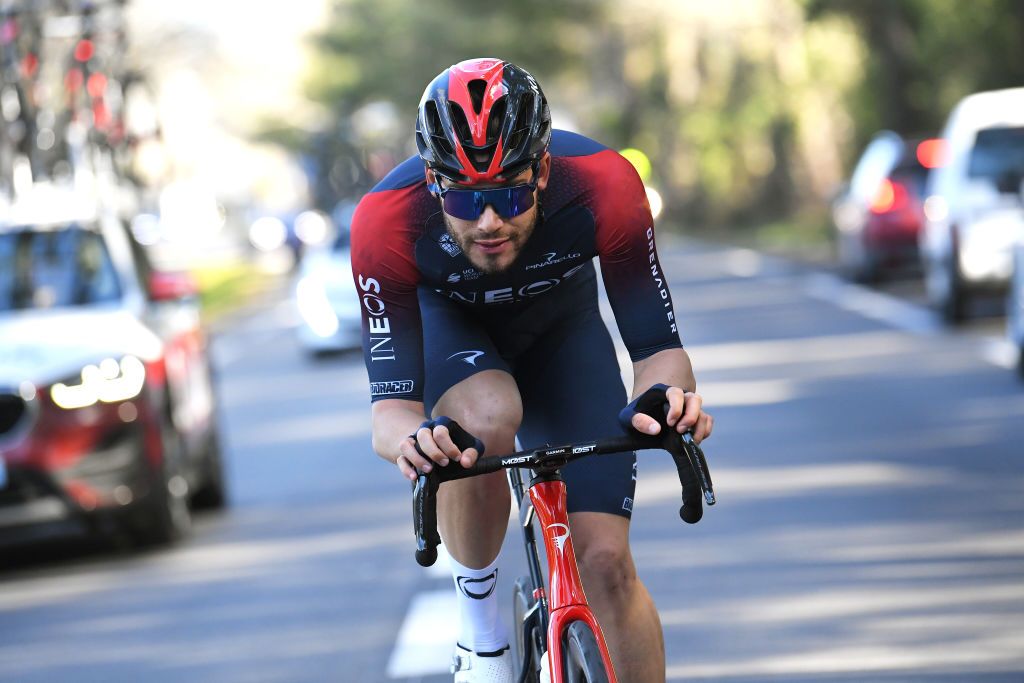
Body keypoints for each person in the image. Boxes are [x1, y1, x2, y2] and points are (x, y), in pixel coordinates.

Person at [350, 57, 713, 683]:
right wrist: (418, 443)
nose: (489, 221)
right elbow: (390, 415)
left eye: (511, 194)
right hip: (453, 332)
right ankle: (481, 631)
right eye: (465, 198)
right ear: (435, 183)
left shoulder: (603, 183)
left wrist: (670, 397)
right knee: (488, 414)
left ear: (543, 170)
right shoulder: (386, 220)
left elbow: (658, 346)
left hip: (561, 332)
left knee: (606, 563)